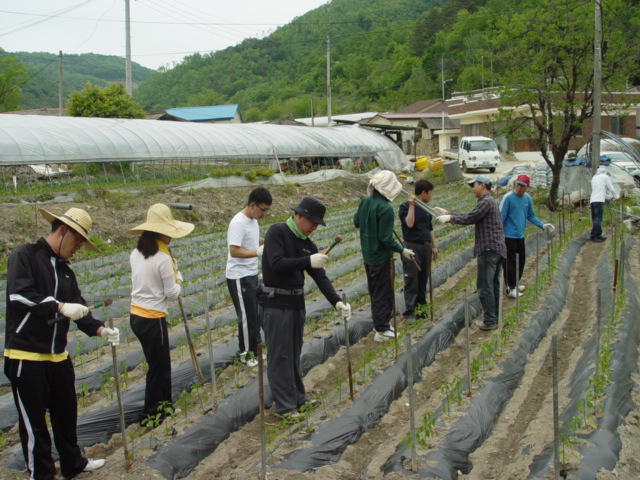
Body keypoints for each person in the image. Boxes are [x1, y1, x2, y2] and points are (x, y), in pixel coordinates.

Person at [4, 207, 118, 480]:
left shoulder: (66, 273)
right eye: (78, 240)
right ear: (63, 230)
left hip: (57, 357)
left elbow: (79, 308)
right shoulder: (26, 255)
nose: (79, 247)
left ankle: (73, 463)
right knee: (35, 425)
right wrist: (58, 306)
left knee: (66, 414)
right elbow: (19, 295)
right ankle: (41, 475)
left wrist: (100, 329)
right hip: (26, 356)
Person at [258, 197, 350, 417]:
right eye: (312, 222)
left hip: (295, 305)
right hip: (276, 305)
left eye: (317, 224)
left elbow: (320, 277)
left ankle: (298, 398)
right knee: (280, 356)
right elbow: (277, 263)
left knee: (293, 353)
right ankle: (285, 407)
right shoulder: (277, 232)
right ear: (298, 215)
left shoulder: (307, 244)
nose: (314, 227)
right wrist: (307, 261)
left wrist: (336, 301)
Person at [127, 203, 194, 424]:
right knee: (159, 368)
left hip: (136, 316)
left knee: (159, 364)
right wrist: (179, 278)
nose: (171, 238)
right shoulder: (164, 259)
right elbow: (172, 294)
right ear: (160, 232)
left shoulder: (136, 253)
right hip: (153, 318)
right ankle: (151, 414)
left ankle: (165, 405)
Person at [436, 175, 506, 331]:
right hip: (496, 249)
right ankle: (493, 317)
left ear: (482, 185)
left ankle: (490, 320)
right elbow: (471, 215)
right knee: (493, 285)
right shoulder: (486, 202)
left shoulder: (486, 202)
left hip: (488, 250)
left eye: (474, 185)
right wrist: (449, 213)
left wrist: (451, 218)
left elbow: (470, 218)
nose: (472, 189)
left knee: (485, 286)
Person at [353, 170, 415, 341]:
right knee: (384, 292)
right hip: (381, 257)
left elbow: (356, 222)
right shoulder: (386, 209)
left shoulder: (365, 201)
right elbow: (385, 239)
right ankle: (382, 329)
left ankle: (379, 323)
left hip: (368, 255)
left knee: (375, 291)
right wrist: (402, 250)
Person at [225, 187, 272, 368]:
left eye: (267, 210)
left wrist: (265, 241)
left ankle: (256, 350)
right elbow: (234, 250)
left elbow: (251, 238)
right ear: (252, 205)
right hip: (239, 276)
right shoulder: (238, 222)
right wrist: (256, 253)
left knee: (254, 315)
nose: (264, 213)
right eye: (262, 209)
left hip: (251, 273)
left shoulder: (252, 220)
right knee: (246, 316)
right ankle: (245, 354)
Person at [499, 174, 555, 298]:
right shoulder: (507, 198)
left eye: (522, 186)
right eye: (518, 184)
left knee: (521, 261)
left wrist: (542, 225)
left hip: (520, 236)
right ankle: (509, 288)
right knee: (510, 263)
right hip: (508, 236)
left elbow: (531, 215)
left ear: (527, 187)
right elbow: (500, 217)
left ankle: (515, 283)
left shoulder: (527, 199)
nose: (519, 187)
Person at [398, 179, 438, 320]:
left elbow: (430, 229)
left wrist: (434, 247)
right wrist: (411, 206)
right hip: (411, 247)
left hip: (425, 247)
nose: (431, 196)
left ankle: (421, 309)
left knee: (422, 280)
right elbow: (409, 224)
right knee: (411, 279)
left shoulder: (426, 209)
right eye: (430, 193)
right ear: (423, 192)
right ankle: (410, 312)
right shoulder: (404, 207)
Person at [589, 163, 617, 242]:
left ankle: (598, 234)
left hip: (593, 200)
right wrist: (616, 197)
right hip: (599, 201)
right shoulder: (605, 177)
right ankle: (594, 236)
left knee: (595, 218)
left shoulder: (594, 178)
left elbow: (600, 191)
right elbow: (611, 189)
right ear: (605, 171)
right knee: (598, 219)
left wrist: (609, 197)